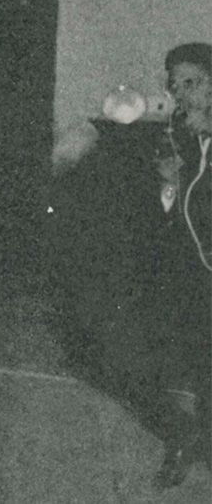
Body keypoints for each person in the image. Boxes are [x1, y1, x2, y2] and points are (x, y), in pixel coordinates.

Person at [148, 42, 212, 487]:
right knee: (185, 363)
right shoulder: (184, 136)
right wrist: (169, 185)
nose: (181, 94)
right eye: (175, 85)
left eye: (192, 83)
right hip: (194, 271)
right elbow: (180, 213)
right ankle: (183, 445)